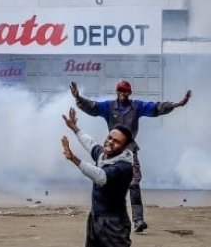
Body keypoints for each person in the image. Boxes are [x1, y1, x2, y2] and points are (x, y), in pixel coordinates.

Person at [70, 80, 191, 232]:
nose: (122, 93)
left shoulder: (136, 107)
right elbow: (93, 107)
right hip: (111, 150)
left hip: (129, 150)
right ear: (117, 91)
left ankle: (138, 220)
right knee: (105, 182)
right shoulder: (109, 107)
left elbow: (156, 108)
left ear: (129, 93)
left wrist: (176, 104)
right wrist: (78, 98)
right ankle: (104, 218)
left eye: (125, 91)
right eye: (120, 90)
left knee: (134, 183)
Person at [61, 107, 164, 247]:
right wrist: (74, 128)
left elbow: (100, 177)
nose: (109, 142)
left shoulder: (124, 167)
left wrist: (74, 158)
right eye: (109, 137)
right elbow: (91, 143)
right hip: (95, 218)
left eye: (116, 141)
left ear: (123, 148)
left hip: (114, 222)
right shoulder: (104, 154)